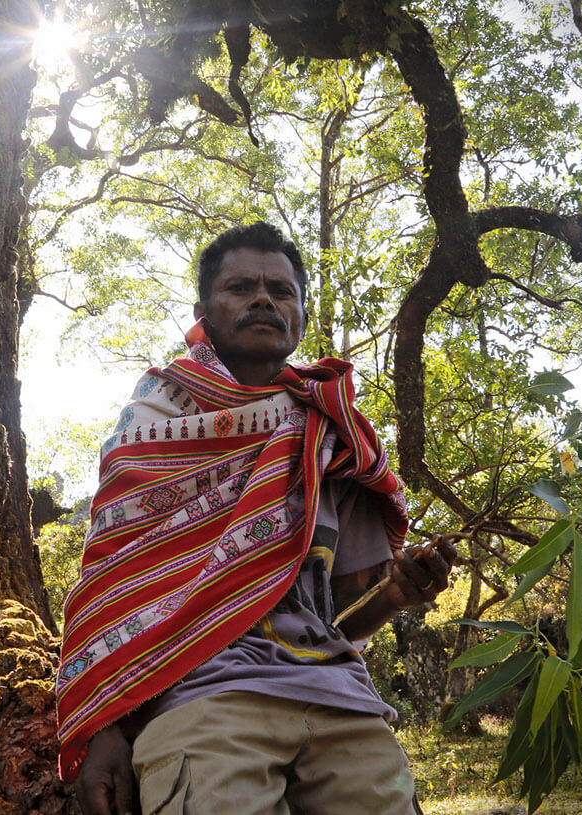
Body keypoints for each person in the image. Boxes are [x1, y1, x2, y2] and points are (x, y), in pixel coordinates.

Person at [55, 222, 456, 815]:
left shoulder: (331, 436)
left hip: (339, 700)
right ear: (204, 312)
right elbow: (111, 585)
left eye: (282, 290)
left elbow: (338, 611)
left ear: (299, 313)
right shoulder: (152, 425)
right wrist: (101, 727)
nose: (264, 299)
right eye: (241, 287)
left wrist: (398, 593)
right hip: (198, 699)